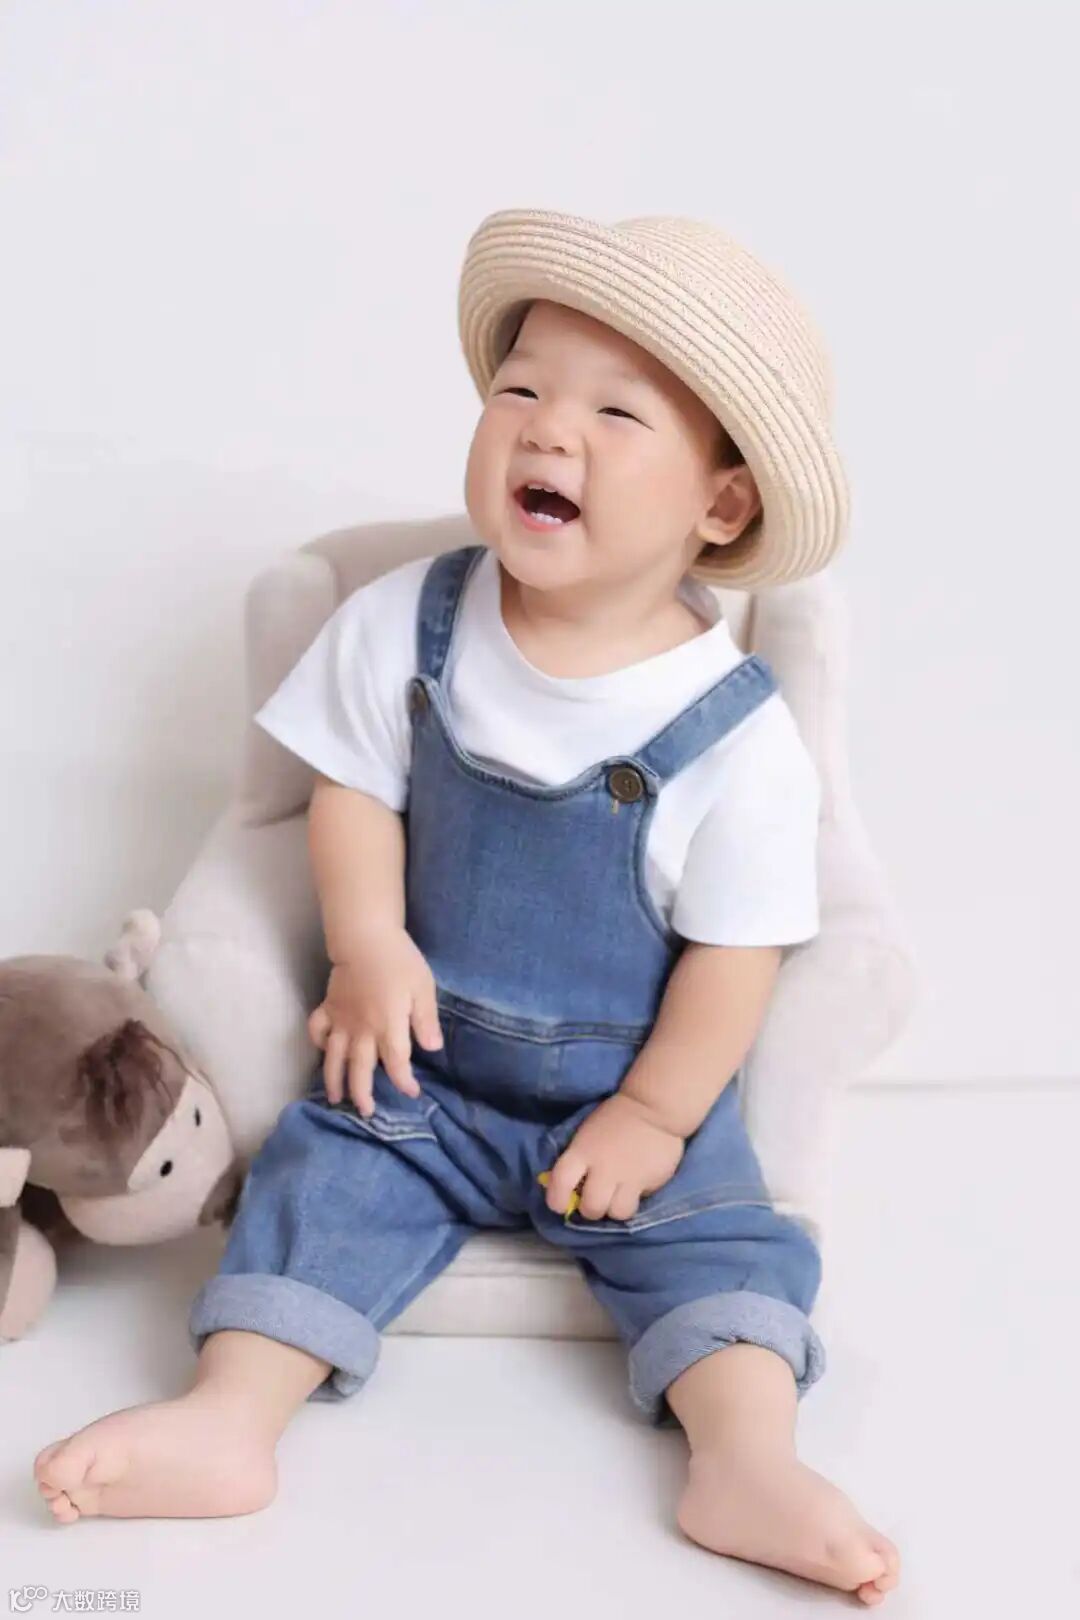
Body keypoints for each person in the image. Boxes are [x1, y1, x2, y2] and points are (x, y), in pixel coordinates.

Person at [33, 209, 899, 1605]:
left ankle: (746, 1457)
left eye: (616, 413)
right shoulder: (406, 620)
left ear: (722, 507)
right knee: (318, 1181)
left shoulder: (735, 731)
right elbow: (350, 795)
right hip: (423, 1065)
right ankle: (229, 1418)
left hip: (628, 1094)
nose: (549, 430)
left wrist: (657, 1113)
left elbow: (737, 957)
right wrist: (369, 944)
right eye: (522, 390)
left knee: (727, 1246)